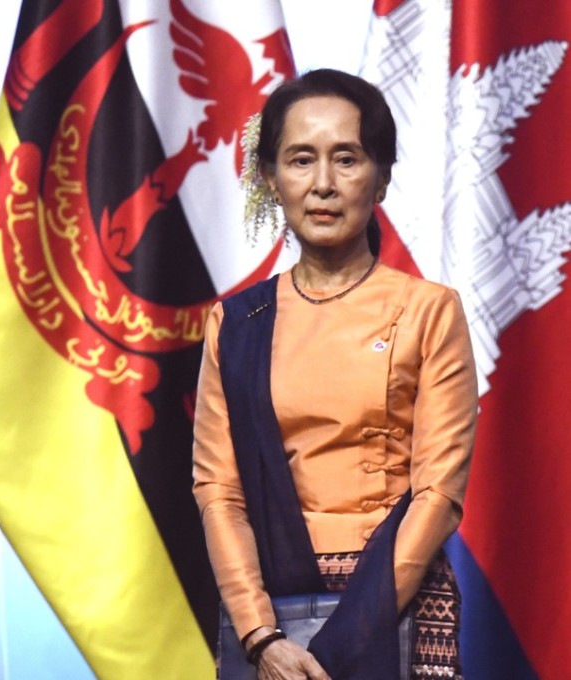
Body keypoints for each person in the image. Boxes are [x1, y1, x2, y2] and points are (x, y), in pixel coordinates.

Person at [192, 69, 477, 679]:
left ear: (381, 177)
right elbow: (219, 490)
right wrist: (261, 634)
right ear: (269, 177)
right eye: (300, 160)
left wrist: (346, 636)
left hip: (393, 600)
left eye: (346, 159)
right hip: (270, 618)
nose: (323, 184)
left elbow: (439, 494)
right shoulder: (238, 323)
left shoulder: (429, 310)